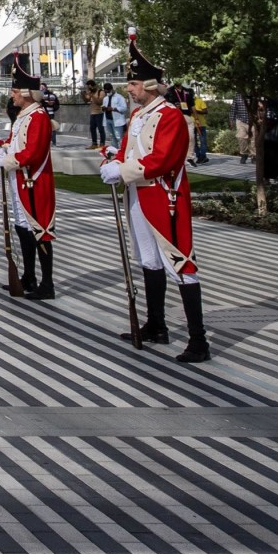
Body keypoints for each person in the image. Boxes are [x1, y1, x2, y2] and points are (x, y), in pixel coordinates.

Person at [100, 30, 209, 361]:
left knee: (180, 264)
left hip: (164, 197)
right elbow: (130, 150)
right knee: (147, 260)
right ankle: (157, 325)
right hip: (138, 197)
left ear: (149, 85)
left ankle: (199, 341)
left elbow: (163, 160)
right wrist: (115, 159)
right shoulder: (138, 115)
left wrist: (123, 170)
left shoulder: (171, 116)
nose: (129, 89)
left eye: (133, 84)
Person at [0, 58, 55, 300]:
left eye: (15, 91)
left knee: (39, 231)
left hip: (34, 180)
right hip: (19, 179)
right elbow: (17, 143)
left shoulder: (38, 116)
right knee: (23, 230)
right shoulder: (23, 116)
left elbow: (34, 151)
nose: (12, 95)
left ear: (27, 93)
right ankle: (29, 276)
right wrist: (4, 148)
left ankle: (46, 282)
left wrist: (8, 160)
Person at [83, 80, 105, 147]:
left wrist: (92, 95)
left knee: (100, 129)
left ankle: (102, 143)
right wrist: (83, 95)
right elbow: (87, 101)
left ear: (93, 86)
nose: (89, 89)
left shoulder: (101, 92)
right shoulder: (90, 92)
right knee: (92, 129)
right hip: (92, 113)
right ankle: (94, 143)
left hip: (99, 113)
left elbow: (99, 102)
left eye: (90, 87)